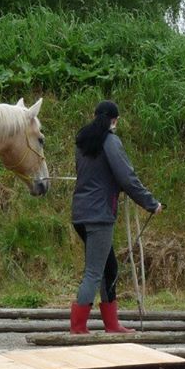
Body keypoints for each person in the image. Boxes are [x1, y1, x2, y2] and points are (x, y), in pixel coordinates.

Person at [70, 100, 162, 334]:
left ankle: (111, 324)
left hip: (80, 214)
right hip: (99, 215)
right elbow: (127, 177)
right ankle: (78, 328)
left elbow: (94, 176)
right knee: (94, 271)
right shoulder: (110, 141)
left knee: (108, 268)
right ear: (114, 119)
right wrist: (150, 203)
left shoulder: (83, 142)